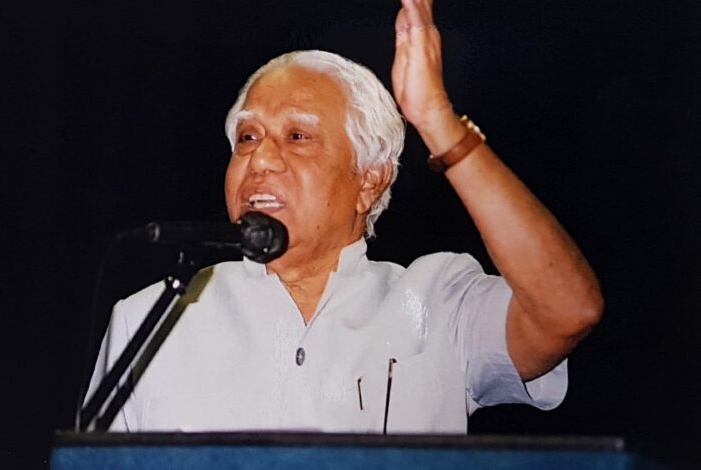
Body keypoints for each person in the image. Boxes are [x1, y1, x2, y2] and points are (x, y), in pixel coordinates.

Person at [86, 0, 603, 433]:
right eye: (247, 137)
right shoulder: (148, 319)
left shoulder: (437, 303)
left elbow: (568, 310)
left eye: (297, 137)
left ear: (369, 181)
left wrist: (438, 122)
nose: (259, 160)